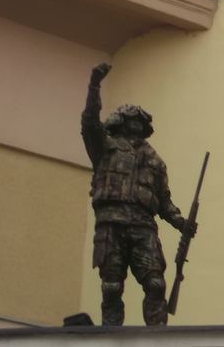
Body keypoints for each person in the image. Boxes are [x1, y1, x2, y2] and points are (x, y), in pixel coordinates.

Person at [81, 63, 196, 326]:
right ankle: (110, 337)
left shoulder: (154, 160)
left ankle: (157, 337)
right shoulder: (104, 146)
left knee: (155, 283)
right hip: (111, 223)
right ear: (121, 121)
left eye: (140, 120)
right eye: (132, 118)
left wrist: (181, 222)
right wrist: (94, 84)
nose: (136, 123)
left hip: (143, 226)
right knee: (111, 286)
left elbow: (164, 201)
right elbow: (89, 121)